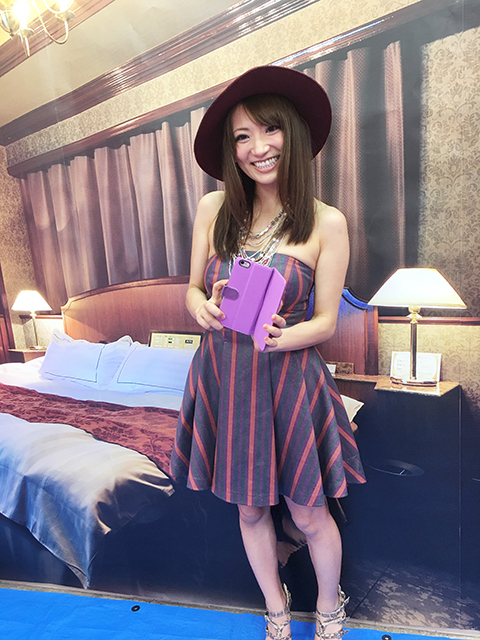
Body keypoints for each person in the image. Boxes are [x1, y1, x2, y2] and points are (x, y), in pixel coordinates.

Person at [170, 65, 366, 640]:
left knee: (308, 512)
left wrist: (285, 335)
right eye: (242, 136)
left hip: (287, 379)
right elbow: (191, 289)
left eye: (269, 130)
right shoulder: (214, 209)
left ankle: (329, 607)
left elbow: (326, 321)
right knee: (250, 509)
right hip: (225, 377)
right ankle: (275, 609)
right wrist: (201, 308)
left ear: (293, 135)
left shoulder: (326, 222)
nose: (257, 148)